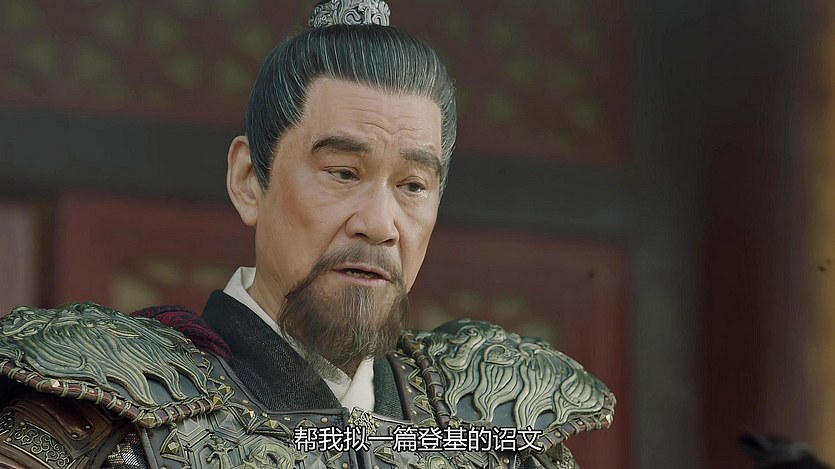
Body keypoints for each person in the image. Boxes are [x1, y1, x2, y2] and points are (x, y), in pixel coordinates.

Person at [0, 1, 615, 468]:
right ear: (248, 180)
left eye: (412, 185)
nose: (379, 224)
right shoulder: (103, 416)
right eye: (343, 173)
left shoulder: (490, 432)